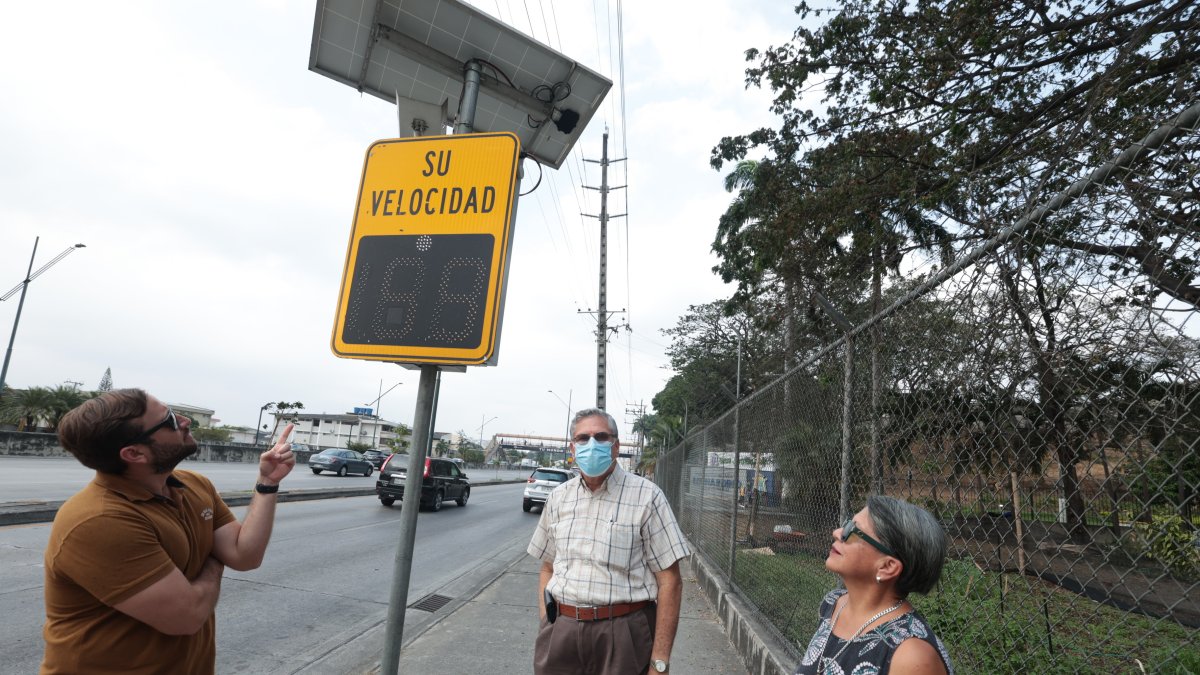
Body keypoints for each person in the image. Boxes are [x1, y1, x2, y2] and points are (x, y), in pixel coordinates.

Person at [40, 388, 296, 675]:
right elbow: (187, 616)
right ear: (134, 453)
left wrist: (267, 483)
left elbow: (244, 555)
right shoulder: (99, 520)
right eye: (171, 421)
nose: (186, 421)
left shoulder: (193, 485)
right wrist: (213, 561)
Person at [527, 408, 691, 675]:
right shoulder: (559, 498)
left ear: (616, 446)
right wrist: (548, 623)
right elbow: (548, 567)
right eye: (583, 438)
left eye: (601, 437)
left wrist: (659, 662)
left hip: (624, 635)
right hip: (562, 633)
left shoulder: (647, 497)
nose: (591, 444)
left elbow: (670, 581)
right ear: (572, 447)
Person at [794, 495, 954, 675]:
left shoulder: (911, 658)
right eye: (848, 523)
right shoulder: (833, 604)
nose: (837, 532)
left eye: (853, 530)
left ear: (887, 567)